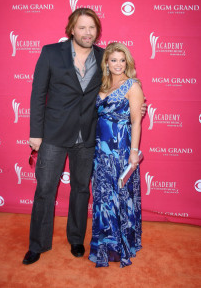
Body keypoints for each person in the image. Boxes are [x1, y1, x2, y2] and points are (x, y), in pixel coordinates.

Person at [23, 8, 146, 265]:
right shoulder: (50, 53)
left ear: (97, 31)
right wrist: (36, 134)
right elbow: (37, 94)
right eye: (82, 27)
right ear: (71, 29)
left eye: (92, 28)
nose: (87, 32)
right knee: (45, 189)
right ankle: (38, 243)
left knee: (81, 189)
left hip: (89, 137)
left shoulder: (105, 57)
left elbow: (119, 89)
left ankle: (76, 239)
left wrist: (136, 107)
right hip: (54, 134)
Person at [88, 42, 144, 268]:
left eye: (122, 60)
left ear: (127, 62)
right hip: (100, 150)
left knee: (120, 197)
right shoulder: (100, 84)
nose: (118, 64)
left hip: (121, 149)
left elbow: (136, 120)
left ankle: (122, 245)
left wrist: (133, 152)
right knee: (103, 197)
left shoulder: (133, 85)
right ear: (107, 63)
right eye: (114, 60)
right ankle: (104, 245)